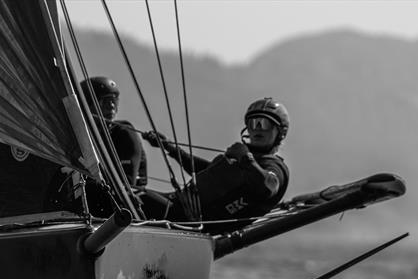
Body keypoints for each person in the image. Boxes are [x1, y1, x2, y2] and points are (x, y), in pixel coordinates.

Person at [142, 97, 290, 231]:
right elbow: (205, 171)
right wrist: (169, 147)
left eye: (265, 123)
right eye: (253, 123)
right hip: (176, 204)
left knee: (135, 197)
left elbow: (268, 186)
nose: (258, 127)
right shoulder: (243, 159)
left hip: (187, 220)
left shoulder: (274, 166)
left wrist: (246, 158)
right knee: (125, 191)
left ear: (281, 133)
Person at [79, 76, 147, 188]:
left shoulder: (123, 132)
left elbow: (127, 182)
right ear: (87, 106)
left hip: (130, 197)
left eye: (114, 101)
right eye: (105, 102)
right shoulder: (84, 137)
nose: (111, 106)